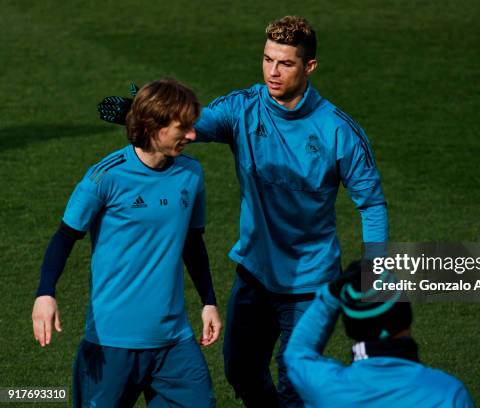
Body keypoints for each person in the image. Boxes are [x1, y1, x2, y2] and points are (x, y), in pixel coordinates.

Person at [97, 16, 388, 407]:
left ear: (309, 67)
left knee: (294, 383)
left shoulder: (338, 131)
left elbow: (371, 202)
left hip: (310, 283)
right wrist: (144, 114)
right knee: (240, 371)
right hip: (254, 275)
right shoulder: (243, 109)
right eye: (268, 59)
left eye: (285, 63)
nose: (273, 71)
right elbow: (190, 127)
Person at [33, 78, 220, 407]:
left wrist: (208, 301)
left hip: (174, 342)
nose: (192, 136)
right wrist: (45, 293)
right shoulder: (105, 177)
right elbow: (65, 236)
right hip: (112, 342)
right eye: (184, 127)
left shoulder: (192, 174)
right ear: (154, 127)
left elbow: (192, 242)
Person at [284, 261, 475, 407]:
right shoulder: (449, 394)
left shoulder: (325, 388)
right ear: (405, 316)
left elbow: (296, 354)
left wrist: (330, 296)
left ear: (352, 329)